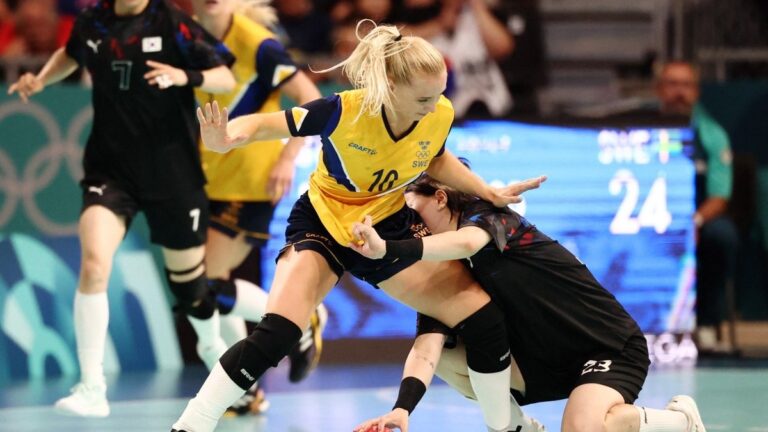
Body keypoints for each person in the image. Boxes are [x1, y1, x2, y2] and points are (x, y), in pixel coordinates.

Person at [170, 20, 546, 432]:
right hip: (324, 222)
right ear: (391, 86)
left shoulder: (438, 110)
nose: (434, 104)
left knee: (482, 316)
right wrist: (225, 138)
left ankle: (510, 426)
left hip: (386, 225)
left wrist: (487, 193)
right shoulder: (343, 111)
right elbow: (264, 125)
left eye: (439, 93)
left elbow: (436, 158)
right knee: (277, 333)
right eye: (423, 97)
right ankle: (191, 425)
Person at [7, 0, 236, 418]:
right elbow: (72, 52)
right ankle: (92, 387)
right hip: (110, 172)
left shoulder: (174, 25)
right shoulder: (94, 19)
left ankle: (210, 346)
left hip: (173, 175)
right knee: (94, 264)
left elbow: (224, 75)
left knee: (190, 288)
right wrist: (41, 80)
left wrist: (184, 75)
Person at [350, 172, 708, 432]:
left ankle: (679, 422)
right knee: (445, 354)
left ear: (441, 198)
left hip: (609, 348)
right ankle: (518, 428)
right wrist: (402, 409)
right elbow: (426, 348)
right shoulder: (449, 268)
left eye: (415, 213)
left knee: (584, 428)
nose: (416, 226)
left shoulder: (490, 218)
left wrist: (388, 249)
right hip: (544, 361)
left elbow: (468, 243)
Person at [190, 0, 328, 414]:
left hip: (251, 182)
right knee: (207, 288)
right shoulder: (189, 39)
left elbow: (311, 100)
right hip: (207, 178)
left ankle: (298, 321)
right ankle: (246, 390)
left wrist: (287, 159)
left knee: (204, 285)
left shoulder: (261, 47)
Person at [656, 61, 737, 353]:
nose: (679, 92)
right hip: (650, 218)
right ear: (659, 90)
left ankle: (705, 323)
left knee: (722, 236)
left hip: (697, 218)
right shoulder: (642, 131)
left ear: (697, 92)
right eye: (672, 84)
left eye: (685, 85)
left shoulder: (712, 135)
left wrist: (694, 222)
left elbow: (720, 195)